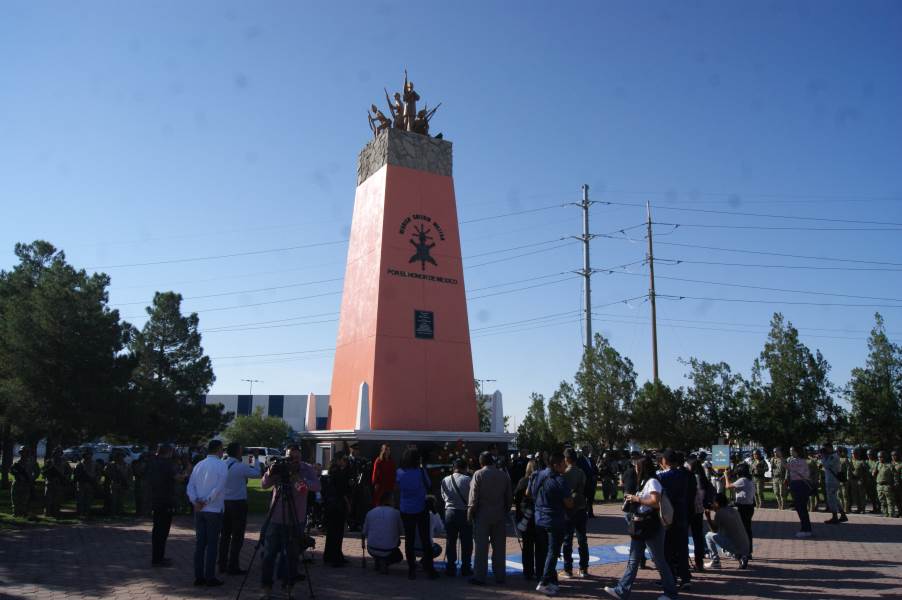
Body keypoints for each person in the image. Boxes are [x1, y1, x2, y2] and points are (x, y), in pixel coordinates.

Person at [604, 455, 678, 600]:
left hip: (651, 525)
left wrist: (637, 499)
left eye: (638, 466)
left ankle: (671, 593)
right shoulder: (644, 481)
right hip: (641, 525)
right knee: (633, 560)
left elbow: (656, 502)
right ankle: (621, 590)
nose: (635, 469)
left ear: (644, 467)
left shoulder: (653, 481)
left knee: (659, 560)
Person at [259, 444, 321, 598]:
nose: (293, 461)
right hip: (276, 518)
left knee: (292, 555)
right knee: (269, 555)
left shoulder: (306, 469)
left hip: (296, 518)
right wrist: (270, 471)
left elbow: (316, 486)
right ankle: (266, 587)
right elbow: (264, 485)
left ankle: (288, 587)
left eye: (296, 457)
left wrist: (299, 478)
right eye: (290, 457)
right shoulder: (280, 467)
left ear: (301, 457)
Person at [186, 440, 228, 587]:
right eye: (222, 449)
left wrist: (195, 501)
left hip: (199, 509)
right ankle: (209, 576)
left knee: (200, 544)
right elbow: (219, 487)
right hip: (213, 509)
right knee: (212, 544)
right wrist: (207, 500)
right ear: (218, 450)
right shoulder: (221, 465)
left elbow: (190, 485)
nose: (223, 452)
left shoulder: (199, 465)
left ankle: (199, 576)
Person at [468, 450, 513, 587]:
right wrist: (505, 510)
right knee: (499, 548)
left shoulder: (478, 474)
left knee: (481, 548)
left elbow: (473, 497)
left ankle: (480, 577)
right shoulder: (503, 475)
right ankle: (500, 576)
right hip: (499, 514)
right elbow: (509, 497)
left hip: (482, 515)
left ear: (481, 462)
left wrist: (470, 513)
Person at [531, 451, 573, 597]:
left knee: (543, 552)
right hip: (554, 519)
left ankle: (551, 582)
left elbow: (531, 493)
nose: (565, 466)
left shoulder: (538, 475)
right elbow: (569, 503)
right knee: (553, 552)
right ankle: (544, 582)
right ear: (556, 465)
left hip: (539, 518)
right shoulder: (560, 480)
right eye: (563, 464)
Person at [218, 442, 262, 575]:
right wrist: (256, 458)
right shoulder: (240, 467)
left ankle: (222, 563)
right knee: (237, 536)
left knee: (225, 535)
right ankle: (233, 565)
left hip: (223, 503)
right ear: (238, 452)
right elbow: (257, 473)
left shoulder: (222, 464)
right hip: (238, 504)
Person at [397, 448, 439, 580]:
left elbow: (398, 486)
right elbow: (429, 484)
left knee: (409, 540)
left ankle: (411, 569)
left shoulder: (399, 472)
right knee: (425, 539)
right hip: (421, 508)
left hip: (405, 509)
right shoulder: (420, 472)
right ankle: (429, 569)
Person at [658, 449, 691, 589]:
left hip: (668, 514)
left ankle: (670, 577)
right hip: (682, 513)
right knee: (682, 548)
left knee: (668, 549)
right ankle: (685, 577)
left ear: (664, 461)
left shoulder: (661, 477)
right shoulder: (685, 475)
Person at [440, 457, 473, 577]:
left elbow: (443, 496)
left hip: (449, 512)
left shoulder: (445, 479)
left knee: (450, 541)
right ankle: (466, 567)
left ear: (454, 468)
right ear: (465, 468)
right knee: (466, 542)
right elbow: (472, 496)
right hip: (464, 512)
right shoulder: (468, 479)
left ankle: (450, 567)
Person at [147, 444, 177, 567]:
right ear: (169, 452)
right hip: (166, 500)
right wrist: (186, 474)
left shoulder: (153, 463)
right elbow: (177, 477)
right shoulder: (167, 464)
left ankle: (157, 557)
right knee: (163, 531)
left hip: (155, 498)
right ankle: (158, 559)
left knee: (157, 530)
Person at [561, 448, 588, 579]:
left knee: (567, 540)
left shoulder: (564, 474)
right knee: (582, 539)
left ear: (566, 459)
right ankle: (583, 568)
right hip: (581, 507)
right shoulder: (581, 472)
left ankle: (568, 569)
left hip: (569, 509)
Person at [703, 493, 750, 569]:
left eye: (713, 503)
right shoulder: (733, 510)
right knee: (724, 546)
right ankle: (740, 556)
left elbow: (714, 530)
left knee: (708, 535)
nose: (712, 505)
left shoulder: (719, 513)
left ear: (717, 503)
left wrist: (708, 517)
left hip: (736, 546)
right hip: (746, 547)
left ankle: (715, 561)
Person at [363, 491, 405, 574]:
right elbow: (402, 532)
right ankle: (384, 562)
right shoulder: (396, 513)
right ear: (390, 500)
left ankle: (378, 560)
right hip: (388, 549)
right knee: (399, 555)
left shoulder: (371, 512)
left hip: (371, 548)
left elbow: (364, 532)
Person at [323, 451, 352, 567]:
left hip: (330, 505)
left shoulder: (331, 471)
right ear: (339, 460)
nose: (345, 462)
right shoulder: (338, 473)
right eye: (343, 459)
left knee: (331, 532)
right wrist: (348, 504)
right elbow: (342, 491)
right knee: (337, 532)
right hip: (338, 505)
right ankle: (335, 557)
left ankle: (329, 555)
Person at [514, 459, 541, 580]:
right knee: (540, 546)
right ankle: (540, 571)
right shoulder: (541, 481)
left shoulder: (523, 481)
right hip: (539, 517)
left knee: (527, 547)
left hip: (526, 518)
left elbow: (516, 499)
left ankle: (528, 572)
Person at [723, 462, 755, 556]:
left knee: (741, 530)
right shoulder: (749, 479)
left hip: (743, 507)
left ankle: (742, 551)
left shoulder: (743, 480)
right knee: (747, 529)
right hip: (749, 506)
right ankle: (748, 551)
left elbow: (728, 486)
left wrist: (726, 476)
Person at [687, 455, 709, 572]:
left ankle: (685, 563)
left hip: (689, 509)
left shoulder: (691, 477)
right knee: (698, 536)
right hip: (699, 510)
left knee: (684, 536)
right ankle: (699, 563)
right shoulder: (702, 476)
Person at [787, 446, 813, 537]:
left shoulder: (801, 461)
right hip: (795, 484)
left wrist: (781, 457)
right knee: (799, 507)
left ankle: (806, 529)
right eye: (790, 451)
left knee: (802, 508)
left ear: (797, 452)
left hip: (801, 485)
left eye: (792, 451)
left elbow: (801, 473)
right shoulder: (792, 460)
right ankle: (805, 528)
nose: (790, 452)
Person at [820, 443, 848, 524]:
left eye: (825, 449)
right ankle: (843, 515)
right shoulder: (830, 456)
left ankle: (834, 517)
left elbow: (826, 465)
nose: (824, 451)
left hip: (832, 481)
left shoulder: (833, 456)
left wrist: (823, 456)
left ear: (830, 448)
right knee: (835, 498)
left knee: (831, 499)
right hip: (831, 480)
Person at [42, 446, 71, 519]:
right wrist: (49, 472)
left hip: (59, 484)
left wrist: (66, 478)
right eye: (56, 453)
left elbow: (69, 472)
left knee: (57, 500)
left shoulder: (65, 462)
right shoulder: (49, 462)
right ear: (54, 453)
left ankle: (56, 513)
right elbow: (43, 472)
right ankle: (47, 514)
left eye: (59, 453)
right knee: (48, 500)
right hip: (50, 483)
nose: (58, 454)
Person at [10, 447, 37, 518]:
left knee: (24, 500)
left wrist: (32, 478)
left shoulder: (32, 462)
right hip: (17, 483)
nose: (23, 454)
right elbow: (11, 470)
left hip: (26, 483)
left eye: (25, 452)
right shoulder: (17, 462)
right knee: (15, 500)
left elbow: (37, 471)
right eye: (22, 452)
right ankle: (16, 514)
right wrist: (17, 475)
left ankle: (23, 514)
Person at [74, 448, 99, 517]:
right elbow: (76, 476)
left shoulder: (95, 464)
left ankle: (87, 513)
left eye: (90, 454)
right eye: (87, 455)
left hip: (91, 485)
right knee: (80, 500)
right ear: (84, 455)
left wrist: (95, 480)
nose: (89, 456)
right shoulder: (80, 465)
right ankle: (80, 514)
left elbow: (98, 474)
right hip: (81, 485)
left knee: (89, 500)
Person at [104, 450, 130, 516]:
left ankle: (120, 512)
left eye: (122, 456)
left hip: (123, 484)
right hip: (114, 483)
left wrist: (128, 483)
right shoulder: (111, 464)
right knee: (113, 500)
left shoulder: (126, 465)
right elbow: (106, 473)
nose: (121, 458)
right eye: (119, 456)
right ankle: (113, 513)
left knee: (121, 500)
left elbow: (129, 475)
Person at [371, 444, 396, 508]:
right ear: (382, 450)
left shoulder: (392, 462)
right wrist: (375, 483)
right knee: (378, 504)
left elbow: (393, 474)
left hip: (389, 487)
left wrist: (394, 485)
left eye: (389, 450)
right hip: (380, 487)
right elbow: (375, 473)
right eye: (386, 449)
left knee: (389, 504)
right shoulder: (378, 461)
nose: (387, 451)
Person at [874, 451, 895, 518]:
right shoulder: (878, 464)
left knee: (890, 501)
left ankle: (891, 514)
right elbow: (873, 474)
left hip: (887, 485)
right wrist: (875, 468)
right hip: (879, 486)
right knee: (882, 501)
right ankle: (885, 513)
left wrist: (894, 484)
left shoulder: (889, 465)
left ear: (884, 457)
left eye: (881, 457)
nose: (880, 458)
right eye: (878, 457)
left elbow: (894, 475)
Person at [851, 448, 869, 514]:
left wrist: (864, 480)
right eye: (852, 454)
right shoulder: (851, 461)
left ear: (858, 454)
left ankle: (863, 509)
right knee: (855, 495)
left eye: (855, 453)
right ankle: (858, 508)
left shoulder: (862, 462)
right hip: (853, 481)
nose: (853, 455)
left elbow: (866, 473)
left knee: (861, 496)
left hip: (860, 480)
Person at [837, 446, 852, 515]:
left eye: (839, 452)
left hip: (844, 480)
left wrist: (848, 479)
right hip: (838, 479)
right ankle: (841, 508)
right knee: (839, 495)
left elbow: (848, 470)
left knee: (845, 495)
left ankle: (846, 509)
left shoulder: (845, 460)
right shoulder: (836, 459)